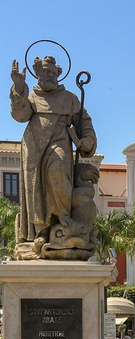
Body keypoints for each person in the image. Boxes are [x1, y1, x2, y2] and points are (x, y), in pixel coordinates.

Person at [10, 56, 97, 260]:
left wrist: (87, 140)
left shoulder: (70, 98)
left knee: (57, 170)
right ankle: (41, 232)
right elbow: (20, 115)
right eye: (44, 71)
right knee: (35, 189)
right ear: (37, 73)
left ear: (58, 74)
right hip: (33, 147)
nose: (48, 75)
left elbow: (84, 122)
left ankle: (62, 218)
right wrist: (18, 87)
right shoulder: (32, 97)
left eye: (52, 72)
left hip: (59, 142)